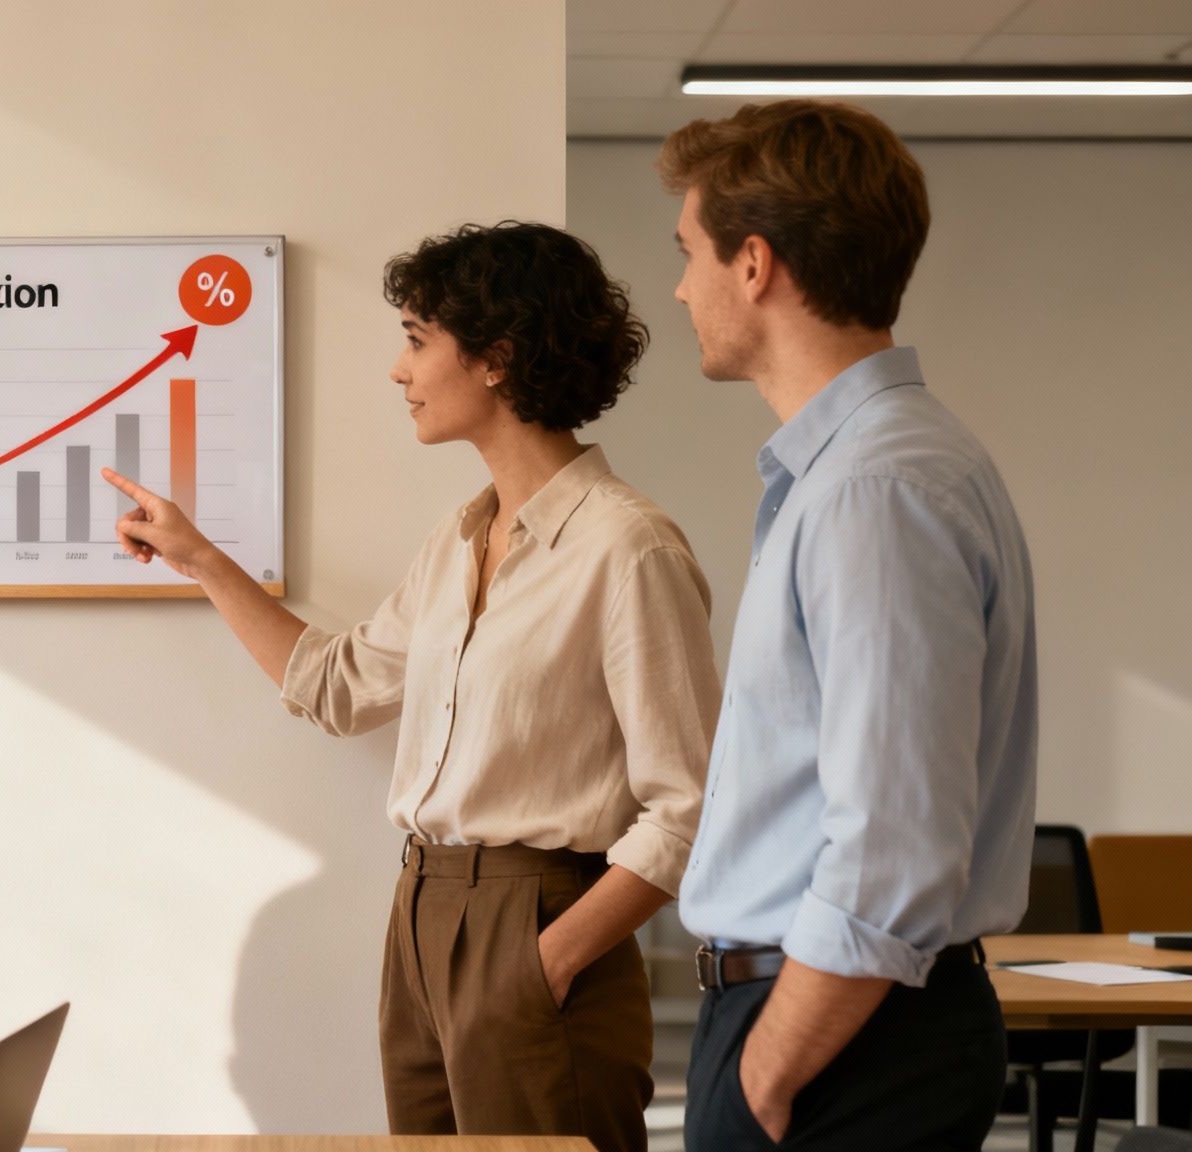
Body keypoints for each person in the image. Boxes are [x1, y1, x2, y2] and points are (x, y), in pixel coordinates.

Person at [103, 222, 719, 1152]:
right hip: (421, 916)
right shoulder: (459, 538)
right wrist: (199, 559)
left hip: (540, 915)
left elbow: (689, 806)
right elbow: (337, 685)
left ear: (498, 359)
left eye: (417, 338)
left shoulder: (627, 547)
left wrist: (546, 958)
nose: (400, 370)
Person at [662, 101, 1037, 1152]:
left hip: (834, 1037)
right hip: (833, 1023)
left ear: (753, 265)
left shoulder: (876, 489)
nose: (680, 287)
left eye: (687, 254)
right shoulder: (860, 470)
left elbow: (892, 840)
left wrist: (766, 1076)